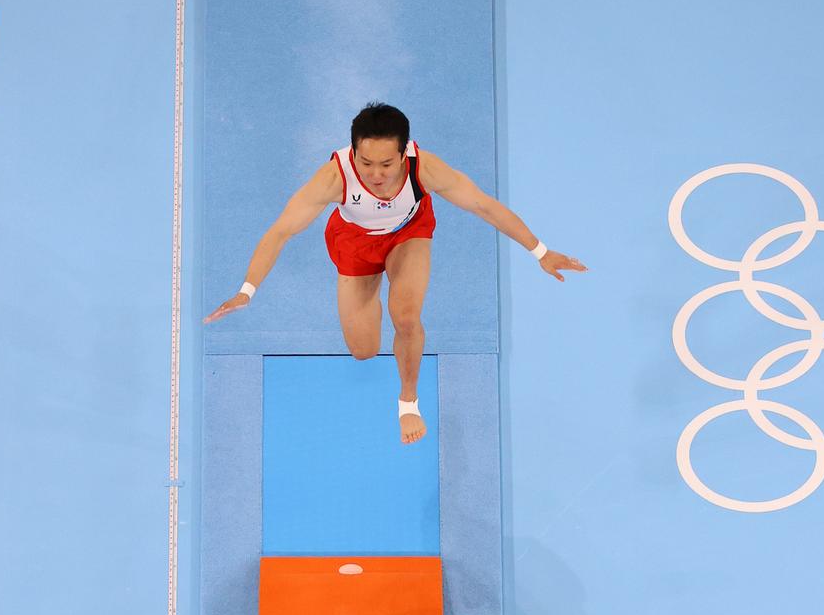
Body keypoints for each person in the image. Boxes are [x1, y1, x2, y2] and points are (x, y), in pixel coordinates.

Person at [203, 102, 587, 445]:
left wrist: (540, 250)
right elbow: (281, 230)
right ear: (353, 152)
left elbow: (484, 207)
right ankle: (366, 286)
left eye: (387, 164)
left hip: (409, 233)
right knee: (364, 350)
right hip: (354, 241)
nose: (376, 175)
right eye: (366, 163)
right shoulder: (334, 178)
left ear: (404, 152)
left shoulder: (426, 168)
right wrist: (246, 290)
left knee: (406, 316)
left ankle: (408, 402)